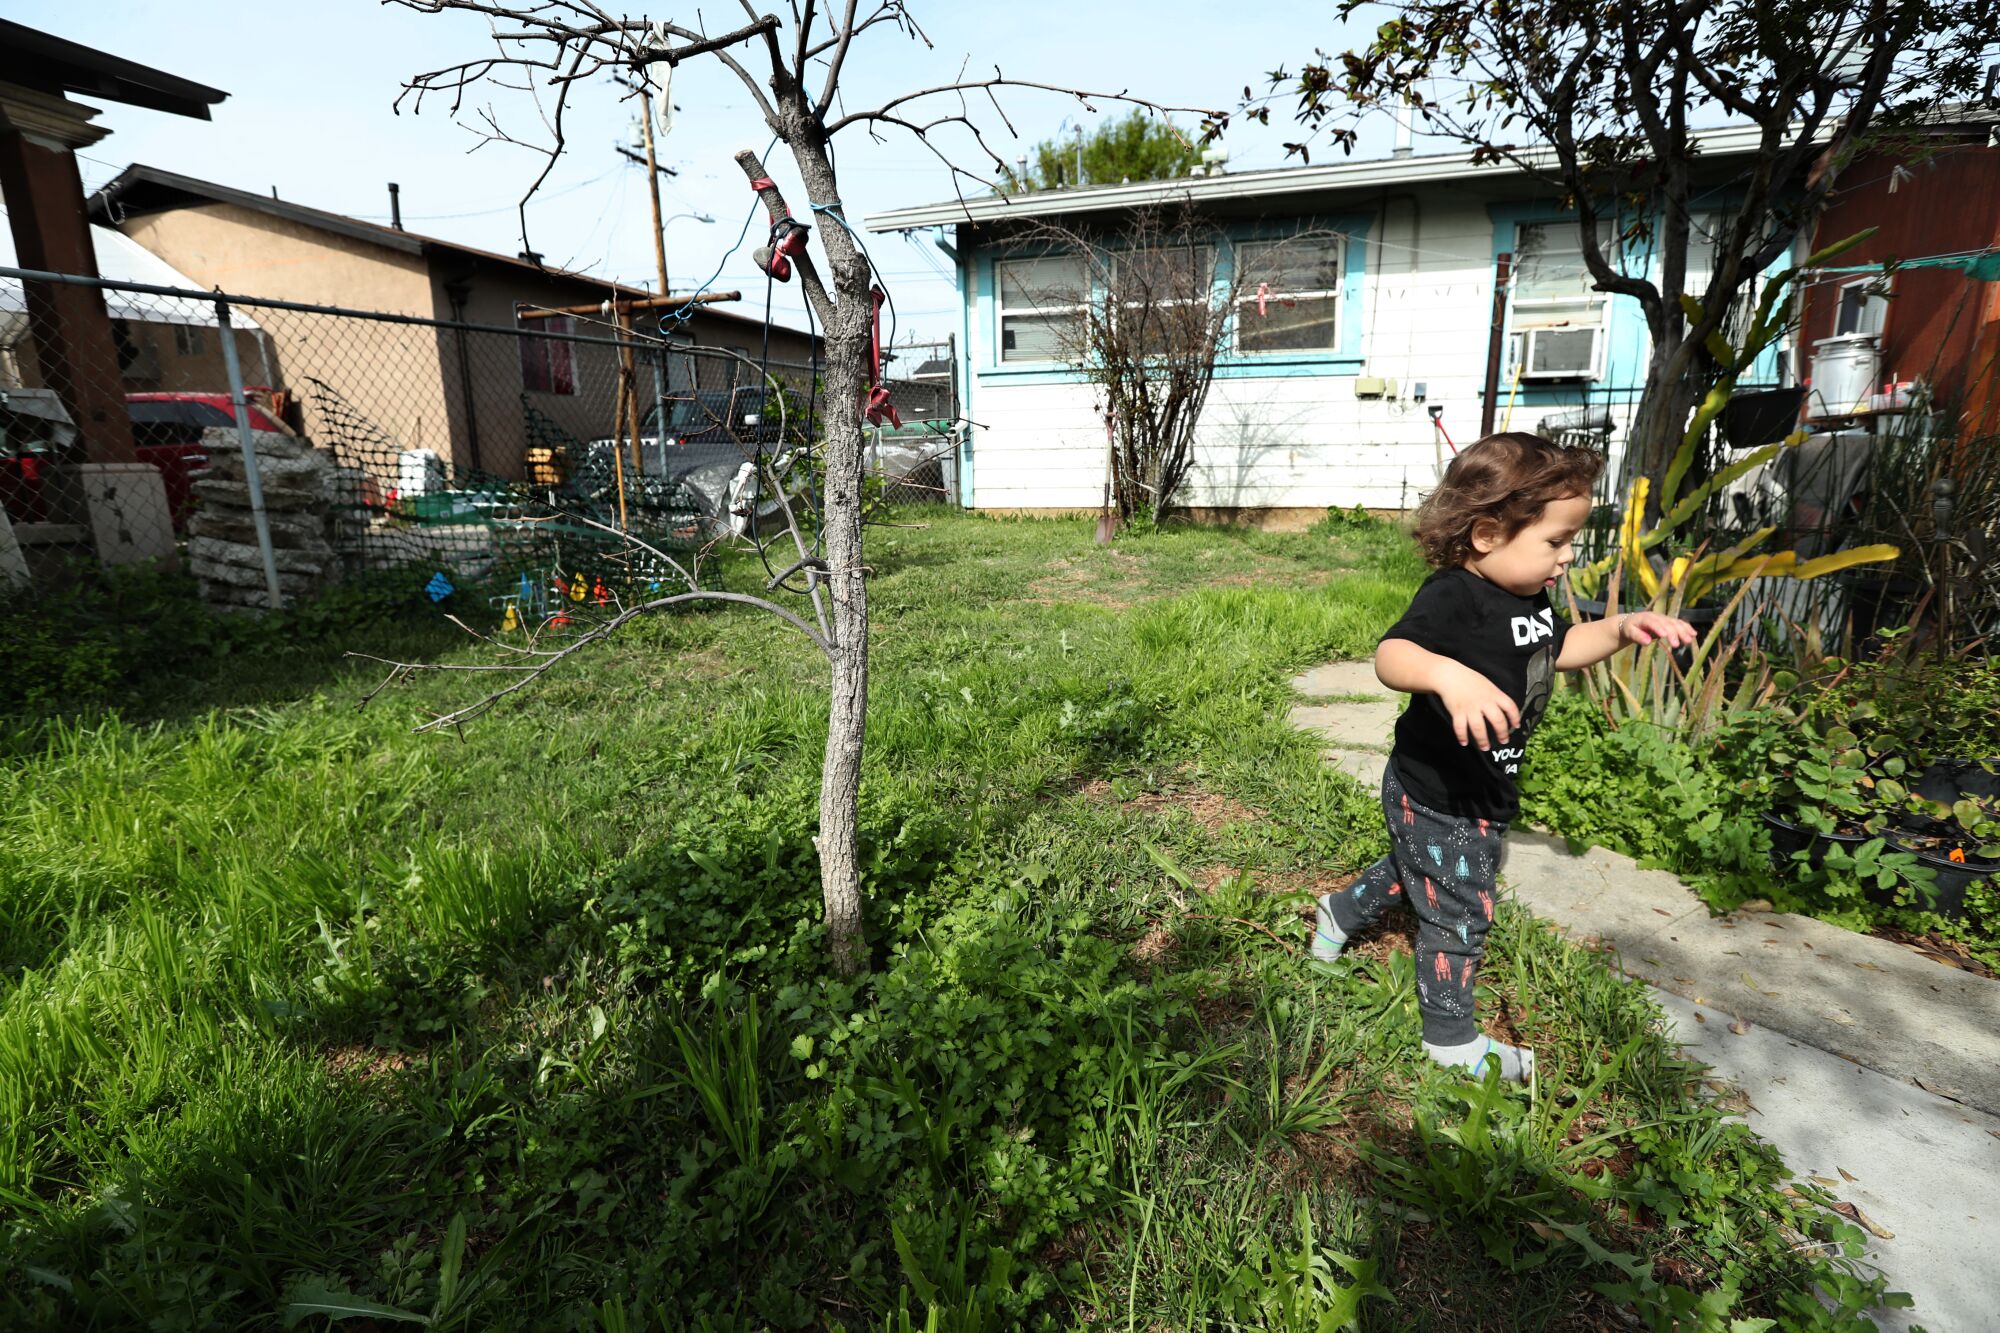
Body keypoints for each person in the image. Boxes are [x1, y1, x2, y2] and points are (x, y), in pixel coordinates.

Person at [1311, 433, 1696, 1082]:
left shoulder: (1525, 597)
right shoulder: (1454, 595)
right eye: (1556, 541)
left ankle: (1341, 911)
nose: (1569, 556)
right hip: (1437, 789)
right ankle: (1450, 1038)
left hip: (1481, 790)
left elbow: (1560, 647)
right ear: (1488, 534)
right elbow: (1392, 656)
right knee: (1462, 907)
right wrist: (1447, 676)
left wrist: (1623, 628)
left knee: (1423, 873)